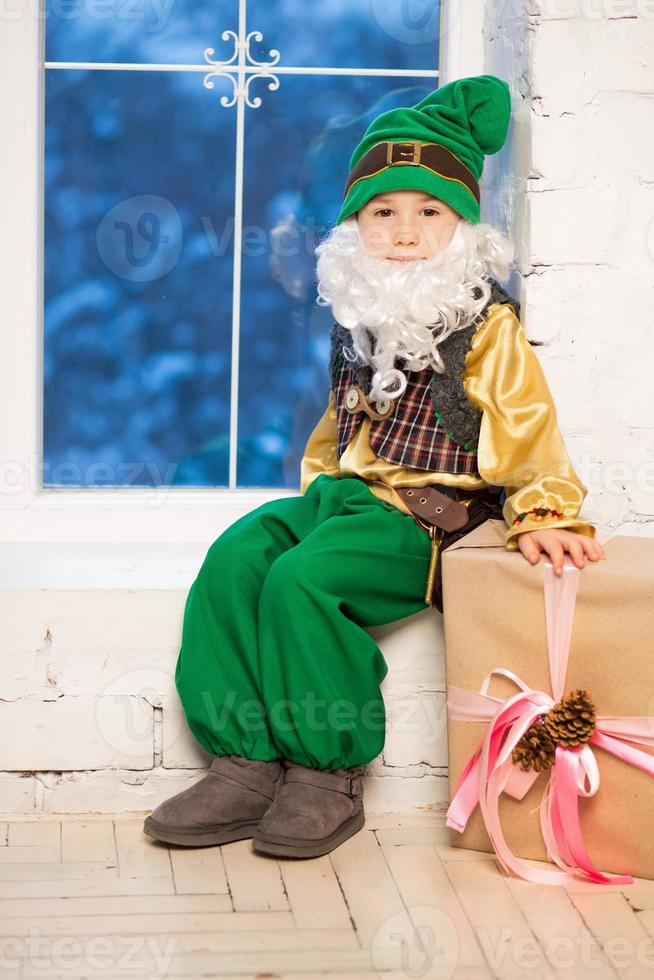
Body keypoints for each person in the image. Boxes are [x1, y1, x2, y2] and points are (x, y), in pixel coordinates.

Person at [143, 74, 606, 860]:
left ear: (460, 226)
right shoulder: (360, 316)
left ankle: (327, 775)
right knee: (236, 558)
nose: (404, 232)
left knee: (304, 582)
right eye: (382, 213)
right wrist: (319, 487)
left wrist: (546, 508)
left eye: (429, 213)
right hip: (348, 497)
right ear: (356, 225)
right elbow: (338, 424)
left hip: (425, 519)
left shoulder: (483, 326)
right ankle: (244, 761)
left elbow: (529, 426)